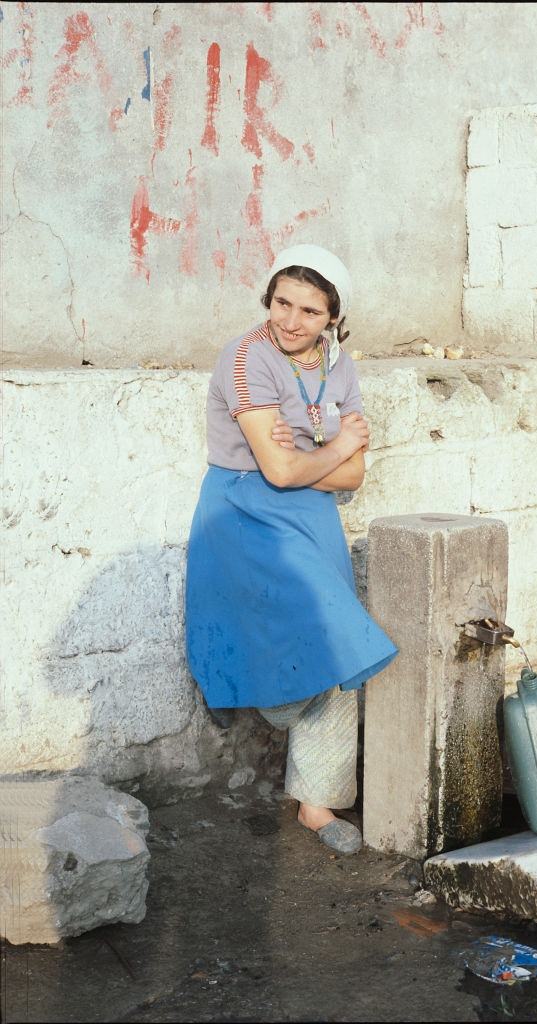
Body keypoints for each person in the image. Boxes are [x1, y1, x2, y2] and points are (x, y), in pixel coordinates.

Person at [185, 243, 397, 853]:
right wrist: (333, 445)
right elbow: (277, 471)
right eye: (283, 302)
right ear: (268, 298)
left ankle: (316, 802)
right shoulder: (246, 360)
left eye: (310, 309)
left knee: (337, 650)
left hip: (313, 514)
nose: (291, 319)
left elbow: (353, 479)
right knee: (300, 646)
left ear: (333, 317)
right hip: (245, 511)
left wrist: (306, 457)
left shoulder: (340, 364)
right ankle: (238, 688)